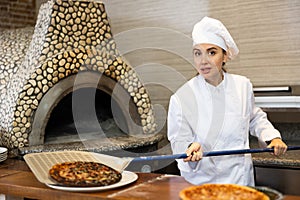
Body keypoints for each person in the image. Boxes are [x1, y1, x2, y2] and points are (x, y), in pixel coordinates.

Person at [167, 16, 287, 186]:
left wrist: (272, 137)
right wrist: (189, 149)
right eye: (197, 53)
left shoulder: (242, 85)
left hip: (241, 181)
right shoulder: (181, 98)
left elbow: (254, 118)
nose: (203, 61)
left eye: (212, 52)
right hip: (203, 185)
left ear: (225, 56)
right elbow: (178, 140)